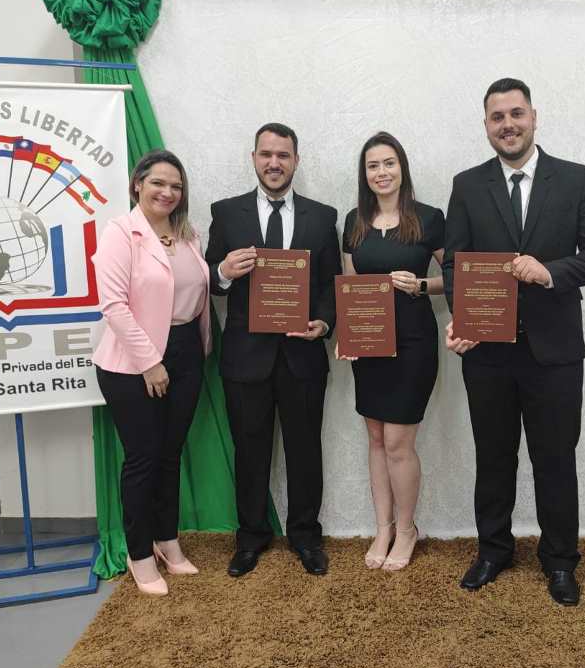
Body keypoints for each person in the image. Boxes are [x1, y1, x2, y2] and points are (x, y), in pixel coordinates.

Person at [442, 78, 585, 605]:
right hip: (488, 353)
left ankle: (561, 560)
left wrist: (550, 272)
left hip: (555, 352)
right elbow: (454, 263)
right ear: (487, 126)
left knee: (555, 459)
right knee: (493, 457)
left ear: (534, 117)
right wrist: (462, 319)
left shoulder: (575, 178)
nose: (508, 125)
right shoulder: (468, 185)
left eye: (516, 114)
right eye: (497, 117)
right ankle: (493, 550)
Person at [205, 123, 342, 577]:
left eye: (283, 155)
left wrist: (324, 322)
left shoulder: (323, 216)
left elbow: (329, 285)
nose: (274, 163)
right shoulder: (226, 213)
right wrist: (223, 270)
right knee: (250, 451)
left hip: (302, 357)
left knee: (306, 450)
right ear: (254, 158)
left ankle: (306, 536)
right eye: (266, 154)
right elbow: (209, 282)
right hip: (246, 358)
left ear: (296, 160)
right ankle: (250, 538)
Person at [93, 149, 211, 597]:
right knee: (142, 459)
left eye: (176, 186)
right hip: (133, 361)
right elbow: (114, 306)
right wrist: (150, 362)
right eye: (158, 183)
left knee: (170, 454)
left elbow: (196, 291)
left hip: (185, 351)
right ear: (137, 184)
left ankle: (167, 541)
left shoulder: (187, 234)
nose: (168, 192)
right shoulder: (120, 233)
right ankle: (138, 553)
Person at [339, 132, 445, 571]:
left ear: (402, 168)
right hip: (369, 346)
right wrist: (347, 335)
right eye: (372, 166)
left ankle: (407, 529)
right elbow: (347, 285)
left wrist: (422, 285)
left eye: (389, 163)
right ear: (364, 175)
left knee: (400, 442)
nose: (381, 173)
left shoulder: (429, 218)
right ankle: (382, 527)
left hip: (414, 343)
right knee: (377, 439)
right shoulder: (354, 221)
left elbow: (459, 277)